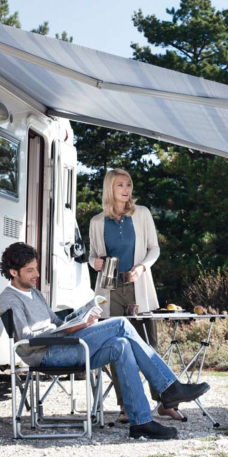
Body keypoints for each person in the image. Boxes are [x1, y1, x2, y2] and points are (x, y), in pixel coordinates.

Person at [0, 242, 210, 440]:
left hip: (64, 344)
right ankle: (170, 388)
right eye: (30, 270)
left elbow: (55, 322)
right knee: (121, 325)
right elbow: (26, 339)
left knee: (121, 345)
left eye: (36, 268)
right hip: (46, 354)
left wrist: (84, 312)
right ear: (13, 272)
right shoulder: (9, 299)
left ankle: (141, 421)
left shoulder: (35, 293)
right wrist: (73, 329)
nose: (37, 275)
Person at [89, 168, 181, 422]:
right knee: (117, 348)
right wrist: (94, 263)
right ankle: (125, 407)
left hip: (137, 287)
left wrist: (142, 267)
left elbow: (154, 248)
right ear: (110, 188)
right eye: (120, 185)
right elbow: (93, 255)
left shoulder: (141, 215)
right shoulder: (97, 222)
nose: (126, 189)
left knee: (149, 345)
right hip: (110, 290)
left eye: (128, 184)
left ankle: (164, 401)